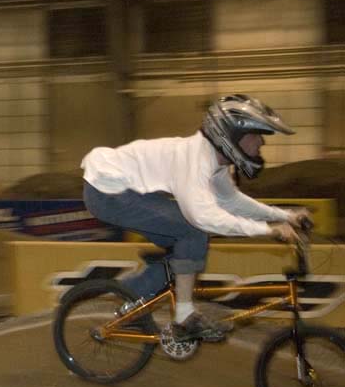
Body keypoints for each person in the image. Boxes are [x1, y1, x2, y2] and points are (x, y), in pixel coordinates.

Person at [81, 94, 312, 342]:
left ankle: (133, 295)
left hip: (126, 190)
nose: (261, 142)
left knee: (187, 246)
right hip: (106, 192)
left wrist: (285, 216)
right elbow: (203, 217)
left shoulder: (215, 161)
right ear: (232, 136)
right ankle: (184, 318)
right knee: (193, 231)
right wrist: (268, 230)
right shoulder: (195, 160)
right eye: (256, 135)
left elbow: (232, 201)